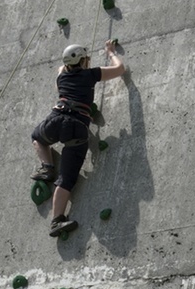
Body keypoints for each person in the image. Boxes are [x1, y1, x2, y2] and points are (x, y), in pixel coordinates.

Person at [31, 40, 125, 237]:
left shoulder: (62, 74)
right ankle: (56, 220)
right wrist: (110, 52)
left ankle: (47, 167)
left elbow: (61, 68)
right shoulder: (90, 74)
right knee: (66, 178)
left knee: (38, 137)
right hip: (77, 128)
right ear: (83, 61)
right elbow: (120, 69)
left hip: (56, 120)